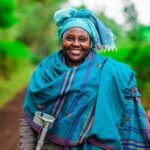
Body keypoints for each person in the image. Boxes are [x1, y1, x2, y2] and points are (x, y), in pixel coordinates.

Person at [18, 8, 150, 150]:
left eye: (83, 39)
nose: (76, 44)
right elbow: (28, 118)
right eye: (69, 38)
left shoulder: (110, 72)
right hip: (49, 144)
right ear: (61, 38)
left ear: (91, 42)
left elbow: (127, 118)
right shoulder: (45, 70)